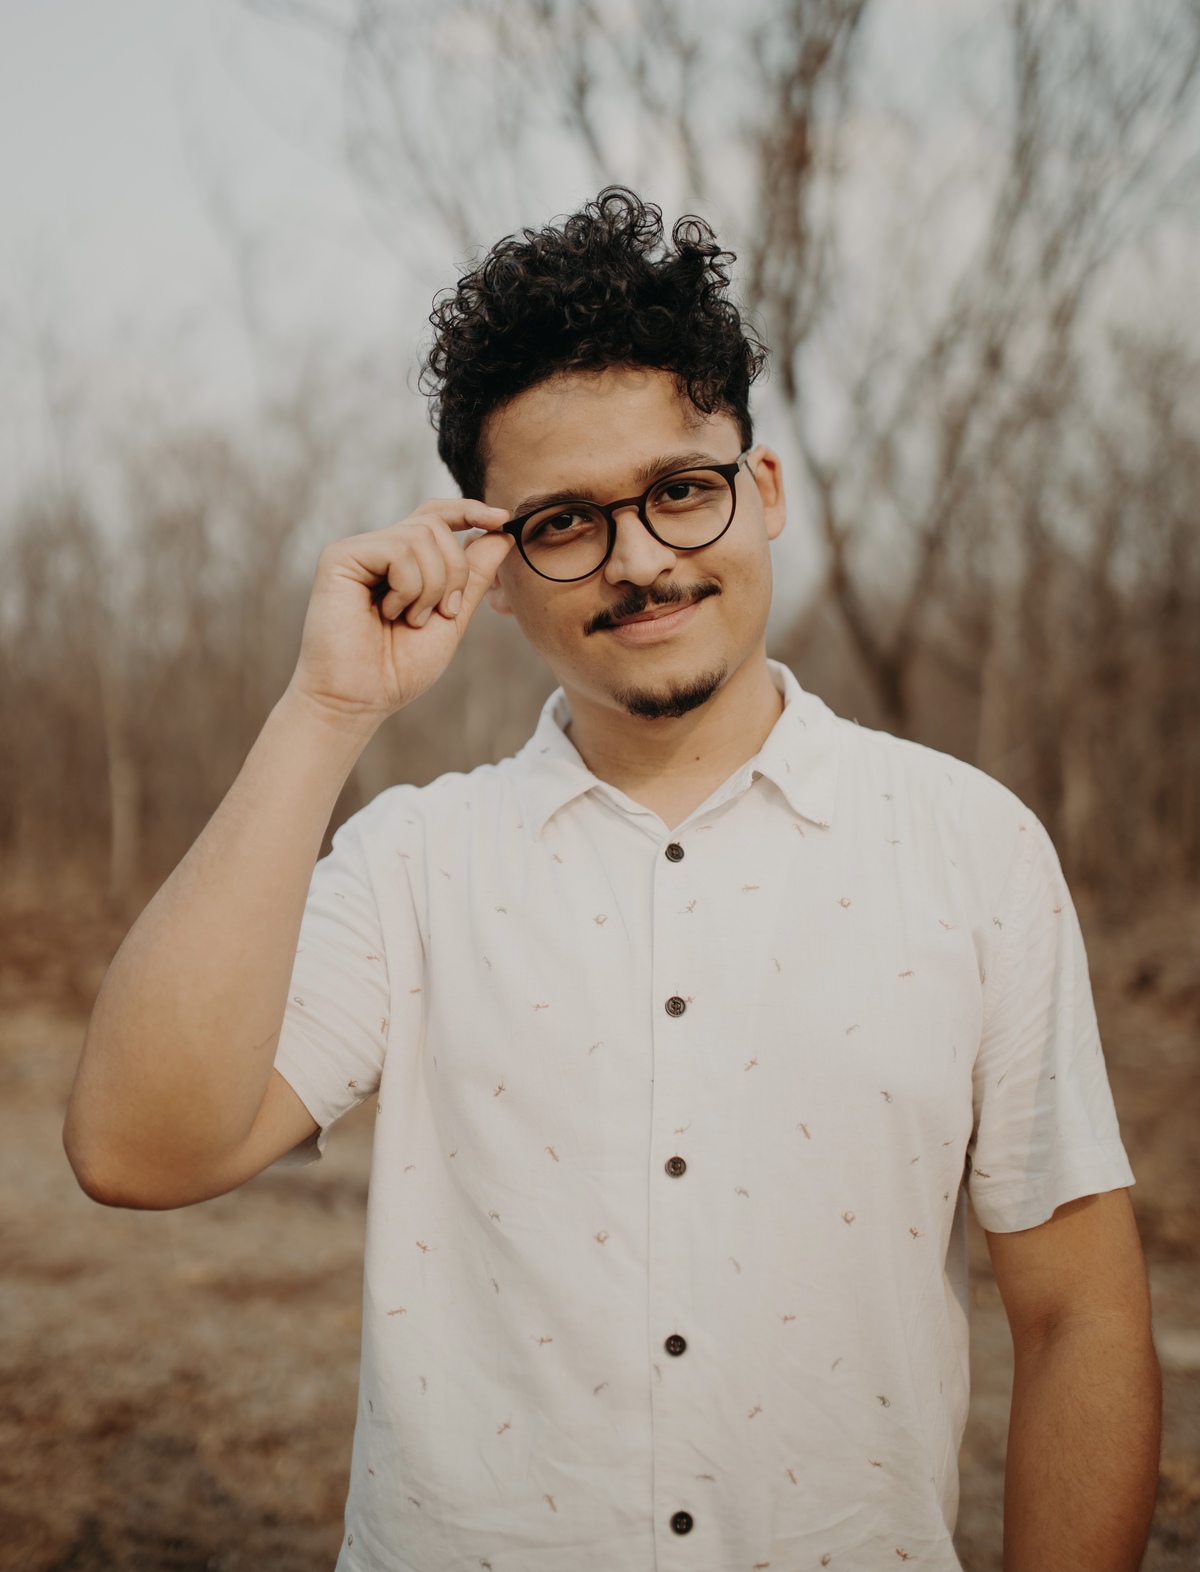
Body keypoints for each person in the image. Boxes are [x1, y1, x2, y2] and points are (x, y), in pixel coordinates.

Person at [64, 188, 1160, 1572]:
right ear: (498, 569)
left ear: (764, 492)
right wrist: (327, 712)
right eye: (567, 522)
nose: (640, 561)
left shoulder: (971, 846)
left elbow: (1078, 1318)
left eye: (681, 491)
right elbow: (137, 1151)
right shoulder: (412, 864)